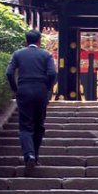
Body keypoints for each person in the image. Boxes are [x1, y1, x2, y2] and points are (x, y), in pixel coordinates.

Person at [6, 29, 57, 175]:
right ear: (39, 41)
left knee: (25, 126)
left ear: (26, 41)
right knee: (39, 125)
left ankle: (29, 155)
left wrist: (15, 88)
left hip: (24, 90)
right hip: (41, 91)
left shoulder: (18, 54)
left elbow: (9, 72)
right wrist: (47, 87)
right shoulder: (46, 54)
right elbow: (52, 73)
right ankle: (35, 156)